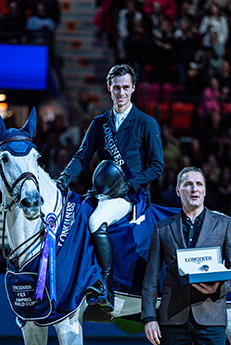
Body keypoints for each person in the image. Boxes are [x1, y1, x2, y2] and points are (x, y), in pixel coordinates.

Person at [56, 64, 164, 313]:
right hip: (103, 192)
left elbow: (157, 166)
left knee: (95, 221)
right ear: (109, 88)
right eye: (117, 87)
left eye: (126, 87)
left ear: (133, 88)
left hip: (131, 195)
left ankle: (105, 286)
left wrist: (130, 185)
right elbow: (82, 157)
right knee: (75, 214)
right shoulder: (99, 123)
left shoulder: (146, 123)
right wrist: (63, 177)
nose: (121, 92)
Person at [141, 167, 231, 345]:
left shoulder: (225, 224)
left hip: (211, 318)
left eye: (199, 184)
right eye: (188, 184)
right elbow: (151, 277)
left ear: (204, 190)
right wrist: (149, 317)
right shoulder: (162, 228)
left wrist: (218, 289)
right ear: (178, 191)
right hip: (172, 318)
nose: (194, 189)